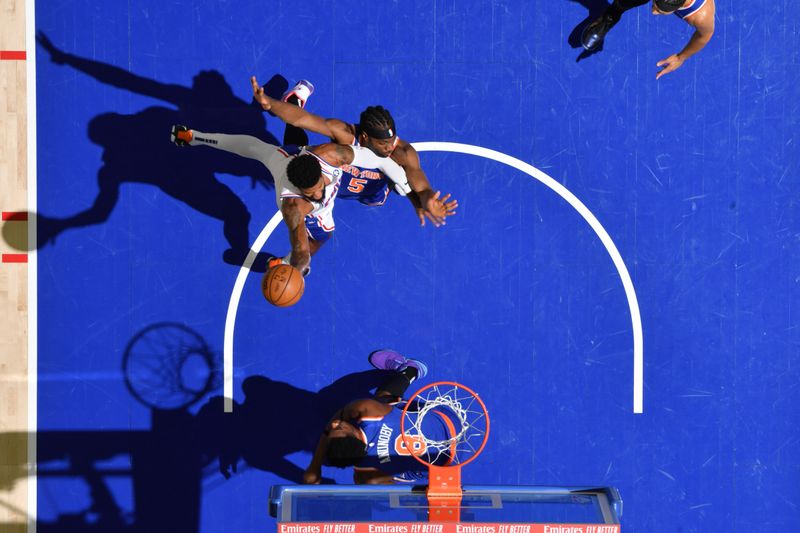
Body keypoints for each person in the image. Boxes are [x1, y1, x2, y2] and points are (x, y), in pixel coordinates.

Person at [171, 126, 410, 275]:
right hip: (312, 207)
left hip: (300, 153)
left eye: (317, 189)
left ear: (319, 170)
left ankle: (293, 102)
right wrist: (296, 268)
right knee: (323, 236)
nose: (317, 195)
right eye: (310, 194)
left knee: (288, 138)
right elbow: (301, 247)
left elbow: (376, 159)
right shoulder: (293, 206)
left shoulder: (331, 154)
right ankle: (194, 137)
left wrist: (402, 179)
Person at [251, 76, 458, 228]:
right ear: (365, 138)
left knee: (400, 181)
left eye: (391, 140)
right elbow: (301, 119)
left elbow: (420, 186)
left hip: (370, 188)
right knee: (296, 151)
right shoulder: (344, 133)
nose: (389, 147)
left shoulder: (402, 152)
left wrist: (426, 197)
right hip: (333, 181)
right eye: (383, 143)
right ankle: (293, 100)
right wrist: (271, 105)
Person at [304, 350, 456, 485]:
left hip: (452, 459)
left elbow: (386, 491)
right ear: (353, 435)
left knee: (383, 477)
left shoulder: (364, 473)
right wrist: (314, 466)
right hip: (446, 420)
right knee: (384, 399)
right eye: (340, 428)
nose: (335, 423)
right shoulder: (367, 411)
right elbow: (339, 416)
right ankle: (411, 369)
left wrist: (314, 468)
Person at [581, 0, 715, 79]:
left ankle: (612, 14)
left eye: (660, 11)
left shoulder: (701, 16)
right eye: (655, 4)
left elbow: (705, 35)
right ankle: (613, 13)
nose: (653, 12)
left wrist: (681, 57)